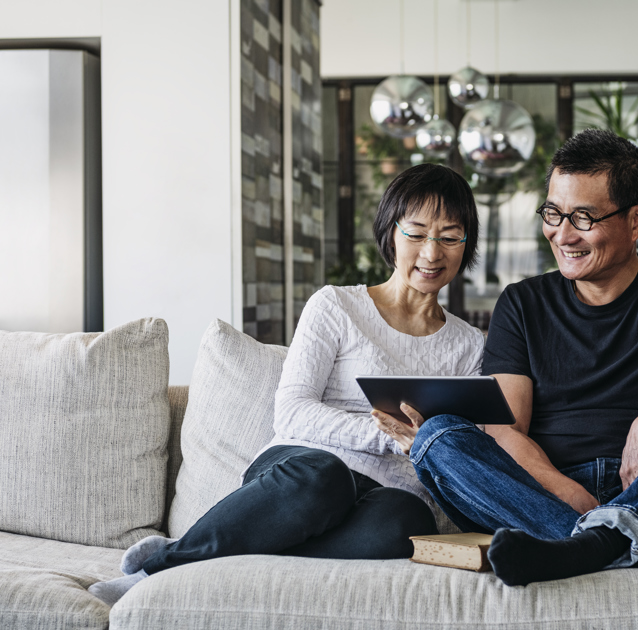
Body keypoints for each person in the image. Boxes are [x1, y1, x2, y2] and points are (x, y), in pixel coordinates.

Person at [374, 129, 638, 587]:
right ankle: (630, 546)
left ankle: (583, 548)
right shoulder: (523, 303)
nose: (563, 234)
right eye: (553, 213)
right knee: (437, 437)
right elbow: (506, 429)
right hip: (546, 494)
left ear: (637, 220)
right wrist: (569, 494)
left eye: (583, 217)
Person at [88, 163, 485, 605]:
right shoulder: (336, 306)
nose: (432, 252)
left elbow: (460, 438)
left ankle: (217, 556)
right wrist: (390, 436)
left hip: (383, 497)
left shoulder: (469, 345)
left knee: (405, 520)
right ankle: (162, 568)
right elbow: (292, 410)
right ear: (391, 233)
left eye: (450, 236)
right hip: (299, 474)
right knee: (327, 476)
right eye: (416, 233)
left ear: (465, 245)